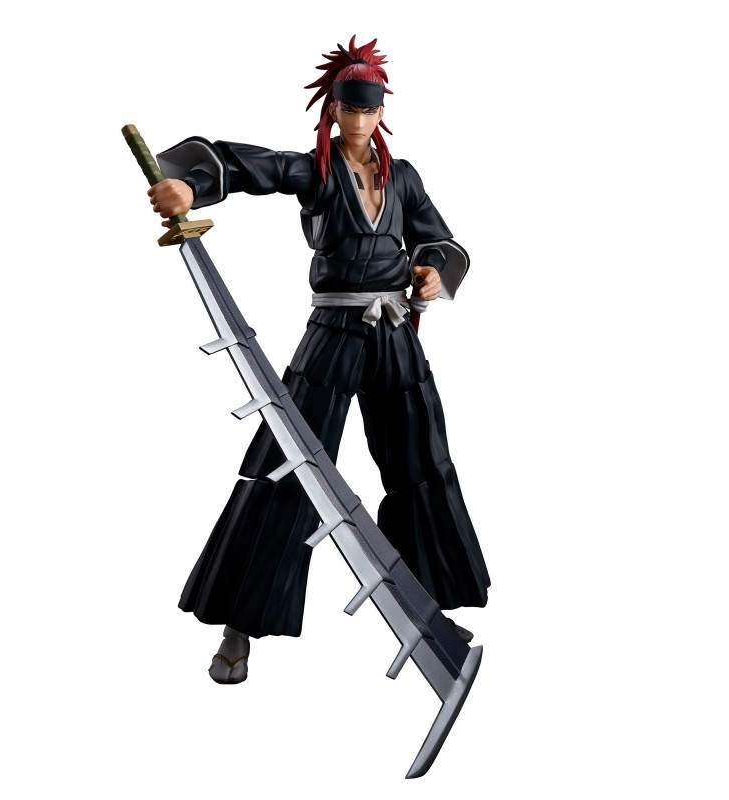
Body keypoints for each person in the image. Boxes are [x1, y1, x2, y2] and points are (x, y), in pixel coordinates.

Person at [147, 35, 490, 684]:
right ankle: (239, 625)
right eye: (349, 107)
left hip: (394, 332)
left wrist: (429, 273)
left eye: (370, 107)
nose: (359, 118)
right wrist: (189, 187)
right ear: (333, 109)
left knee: (422, 461)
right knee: (288, 465)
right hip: (334, 330)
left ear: (382, 111)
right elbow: (249, 167)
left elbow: (438, 240)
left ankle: (434, 609)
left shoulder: (402, 177)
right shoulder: (318, 171)